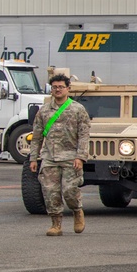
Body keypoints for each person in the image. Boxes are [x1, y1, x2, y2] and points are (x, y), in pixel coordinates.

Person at [29, 73, 90, 236]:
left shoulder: (78, 109)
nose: (57, 90)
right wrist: (33, 158)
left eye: (61, 87)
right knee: (50, 192)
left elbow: (84, 135)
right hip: (49, 157)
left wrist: (80, 157)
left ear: (68, 89)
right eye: (54, 87)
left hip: (71, 157)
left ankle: (77, 211)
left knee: (69, 190)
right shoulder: (44, 111)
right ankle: (56, 224)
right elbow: (36, 136)